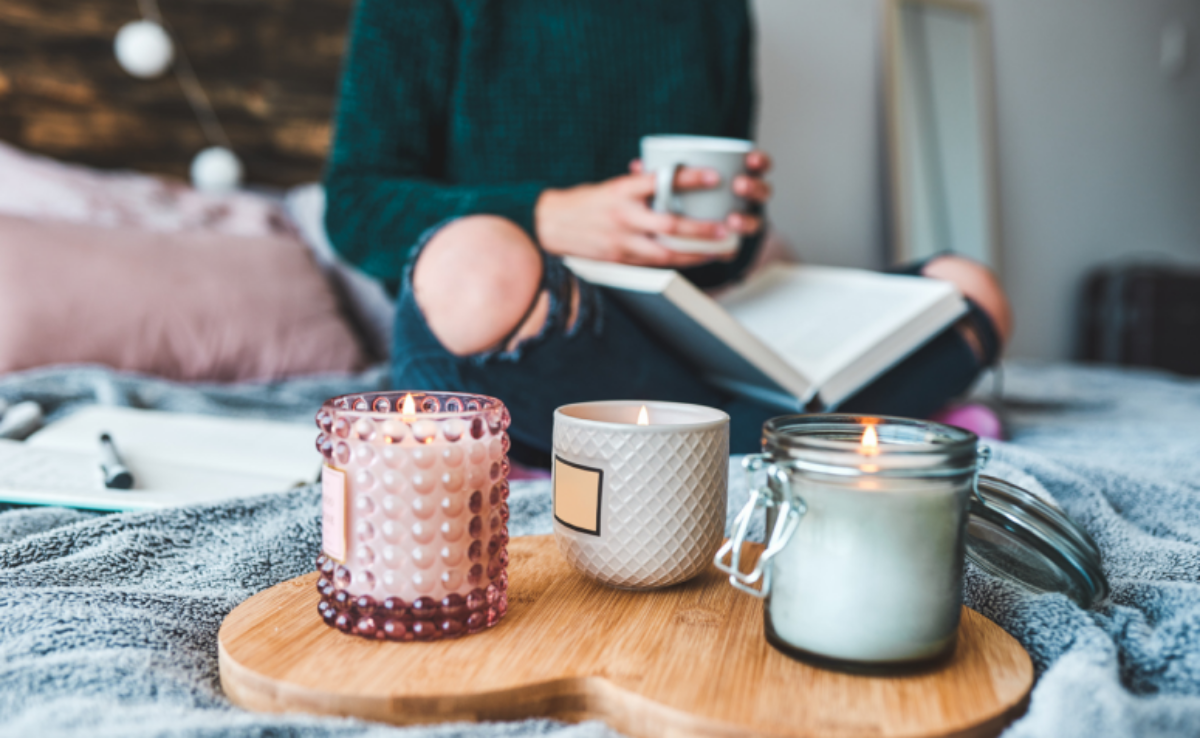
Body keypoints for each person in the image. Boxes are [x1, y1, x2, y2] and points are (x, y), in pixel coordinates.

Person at [324, 0, 1012, 463]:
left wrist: (732, 229)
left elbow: (721, 259)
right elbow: (354, 206)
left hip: (669, 331)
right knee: (477, 262)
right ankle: (772, 434)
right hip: (532, 331)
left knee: (968, 290)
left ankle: (715, 435)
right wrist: (548, 216)